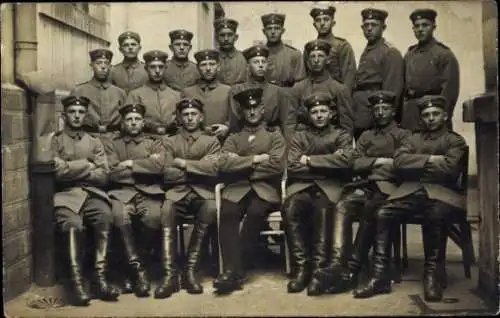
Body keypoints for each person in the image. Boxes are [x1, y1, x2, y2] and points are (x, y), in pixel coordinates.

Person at [353, 95, 468, 302]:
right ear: (421, 119)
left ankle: (433, 275)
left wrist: (416, 164)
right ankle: (380, 276)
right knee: (384, 212)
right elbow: (399, 162)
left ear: (444, 116)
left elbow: (450, 170)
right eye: (426, 115)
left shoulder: (455, 140)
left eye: (435, 114)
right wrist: (432, 160)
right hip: (412, 190)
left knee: (435, 214)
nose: (430, 118)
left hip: (444, 193)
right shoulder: (412, 139)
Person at [314, 91, 411, 293]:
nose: (381, 113)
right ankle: (337, 263)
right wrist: (379, 161)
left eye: (385, 109)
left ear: (393, 111)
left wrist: (372, 165)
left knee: (371, 209)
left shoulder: (404, 135)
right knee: (342, 205)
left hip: (390, 189)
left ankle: (351, 270)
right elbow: (354, 164)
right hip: (366, 186)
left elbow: (402, 166)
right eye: (377, 109)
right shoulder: (366, 136)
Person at [214, 87, 286, 294]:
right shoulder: (234, 137)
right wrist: (256, 159)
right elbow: (223, 163)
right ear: (242, 112)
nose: (252, 112)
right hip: (237, 189)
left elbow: (276, 166)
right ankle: (232, 270)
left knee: (255, 213)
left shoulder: (275, 135)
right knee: (227, 213)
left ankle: (235, 272)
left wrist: (241, 165)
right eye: (248, 109)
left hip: (265, 190)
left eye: (256, 107)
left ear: (262, 109)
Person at [51, 96, 120, 306]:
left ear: (86, 115)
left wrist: (72, 169)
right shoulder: (55, 140)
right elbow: (56, 172)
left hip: (92, 194)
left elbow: (104, 175)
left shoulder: (94, 141)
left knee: (106, 216)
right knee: (72, 225)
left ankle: (100, 279)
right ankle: (77, 284)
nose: (77, 116)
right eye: (72, 112)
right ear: (64, 115)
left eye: (81, 112)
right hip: (65, 195)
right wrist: (87, 165)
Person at [284, 92, 353, 296]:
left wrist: (310, 160)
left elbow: (346, 163)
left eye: (323, 111)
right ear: (309, 115)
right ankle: (301, 268)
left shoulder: (341, 135)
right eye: (315, 112)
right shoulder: (300, 136)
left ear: (331, 114)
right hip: (302, 187)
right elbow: (293, 166)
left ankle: (318, 270)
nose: (319, 115)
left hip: (330, 187)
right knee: (290, 207)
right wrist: (330, 161)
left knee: (323, 209)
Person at [159, 98, 220, 297]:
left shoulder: (211, 141)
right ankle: (170, 275)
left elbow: (213, 170)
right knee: (167, 209)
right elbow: (166, 173)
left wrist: (184, 164)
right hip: (176, 192)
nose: (190, 118)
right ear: (179, 117)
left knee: (210, 208)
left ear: (201, 117)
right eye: (186, 114)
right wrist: (198, 167)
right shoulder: (169, 141)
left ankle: (190, 270)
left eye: (194, 114)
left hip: (202, 193)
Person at [105, 103, 165, 298]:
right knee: (119, 217)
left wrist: (131, 164)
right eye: (129, 119)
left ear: (143, 122)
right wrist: (144, 169)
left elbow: (159, 167)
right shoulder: (113, 144)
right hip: (122, 193)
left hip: (149, 192)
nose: (133, 123)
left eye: (137, 119)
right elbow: (112, 173)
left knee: (154, 218)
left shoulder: (153, 143)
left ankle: (139, 266)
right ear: (123, 122)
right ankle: (139, 272)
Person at [402, 9, 460, 131]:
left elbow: (449, 92)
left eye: (425, 25)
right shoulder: (409, 55)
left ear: (434, 26)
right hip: (410, 117)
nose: (420, 29)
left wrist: (441, 118)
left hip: (432, 115)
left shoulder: (444, 54)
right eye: (416, 26)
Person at [352, 8, 404, 140]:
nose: (369, 29)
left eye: (374, 25)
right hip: (360, 114)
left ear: (383, 27)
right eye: (366, 25)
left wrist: (385, 118)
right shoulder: (368, 50)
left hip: (375, 115)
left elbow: (393, 91)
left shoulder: (390, 52)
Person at [289, 40, 354, 134]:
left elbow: (346, 125)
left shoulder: (339, 89)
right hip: (304, 141)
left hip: (331, 141)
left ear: (328, 60)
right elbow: (290, 122)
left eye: (320, 56)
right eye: (312, 56)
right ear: (308, 62)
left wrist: (344, 146)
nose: (316, 60)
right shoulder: (298, 88)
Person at [229, 45, 291, 141]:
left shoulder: (277, 91)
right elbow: (235, 121)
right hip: (245, 137)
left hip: (271, 138)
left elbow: (285, 122)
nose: (261, 65)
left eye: (264, 62)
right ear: (248, 66)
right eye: (256, 62)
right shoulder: (237, 90)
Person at [70, 48, 126, 146]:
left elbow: (125, 122)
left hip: (114, 141)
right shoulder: (79, 91)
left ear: (110, 66)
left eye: (106, 63)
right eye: (99, 63)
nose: (103, 66)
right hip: (86, 139)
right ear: (91, 65)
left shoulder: (119, 93)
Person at [126, 50, 180, 138]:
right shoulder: (135, 95)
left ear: (165, 68)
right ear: (146, 68)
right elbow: (128, 123)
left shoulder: (175, 95)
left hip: (171, 141)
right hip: (145, 140)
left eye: (161, 67)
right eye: (153, 67)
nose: (157, 71)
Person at [181, 49, 231, 140]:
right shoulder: (188, 92)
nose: (208, 68)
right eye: (203, 65)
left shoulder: (227, 90)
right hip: (195, 142)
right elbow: (180, 120)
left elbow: (235, 118)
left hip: (221, 141)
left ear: (218, 66)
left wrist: (227, 127)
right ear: (197, 68)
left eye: (212, 64)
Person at [310, 4, 357, 91]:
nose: (322, 23)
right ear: (314, 24)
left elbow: (348, 78)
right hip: (315, 95)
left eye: (326, 19)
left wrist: (343, 97)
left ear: (333, 23)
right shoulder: (310, 48)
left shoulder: (342, 46)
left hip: (336, 95)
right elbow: (307, 76)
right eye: (318, 20)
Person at [260, 13, 305, 88]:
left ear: (282, 31)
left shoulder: (294, 54)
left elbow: (300, 83)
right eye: (269, 28)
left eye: (277, 28)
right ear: (264, 31)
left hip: (287, 94)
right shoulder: (258, 55)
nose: (273, 32)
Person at [214, 18, 248, 85]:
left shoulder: (244, 58)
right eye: (222, 35)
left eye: (230, 35)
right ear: (216, 38)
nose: (226, 39)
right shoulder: (212, 59)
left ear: (236, 37)